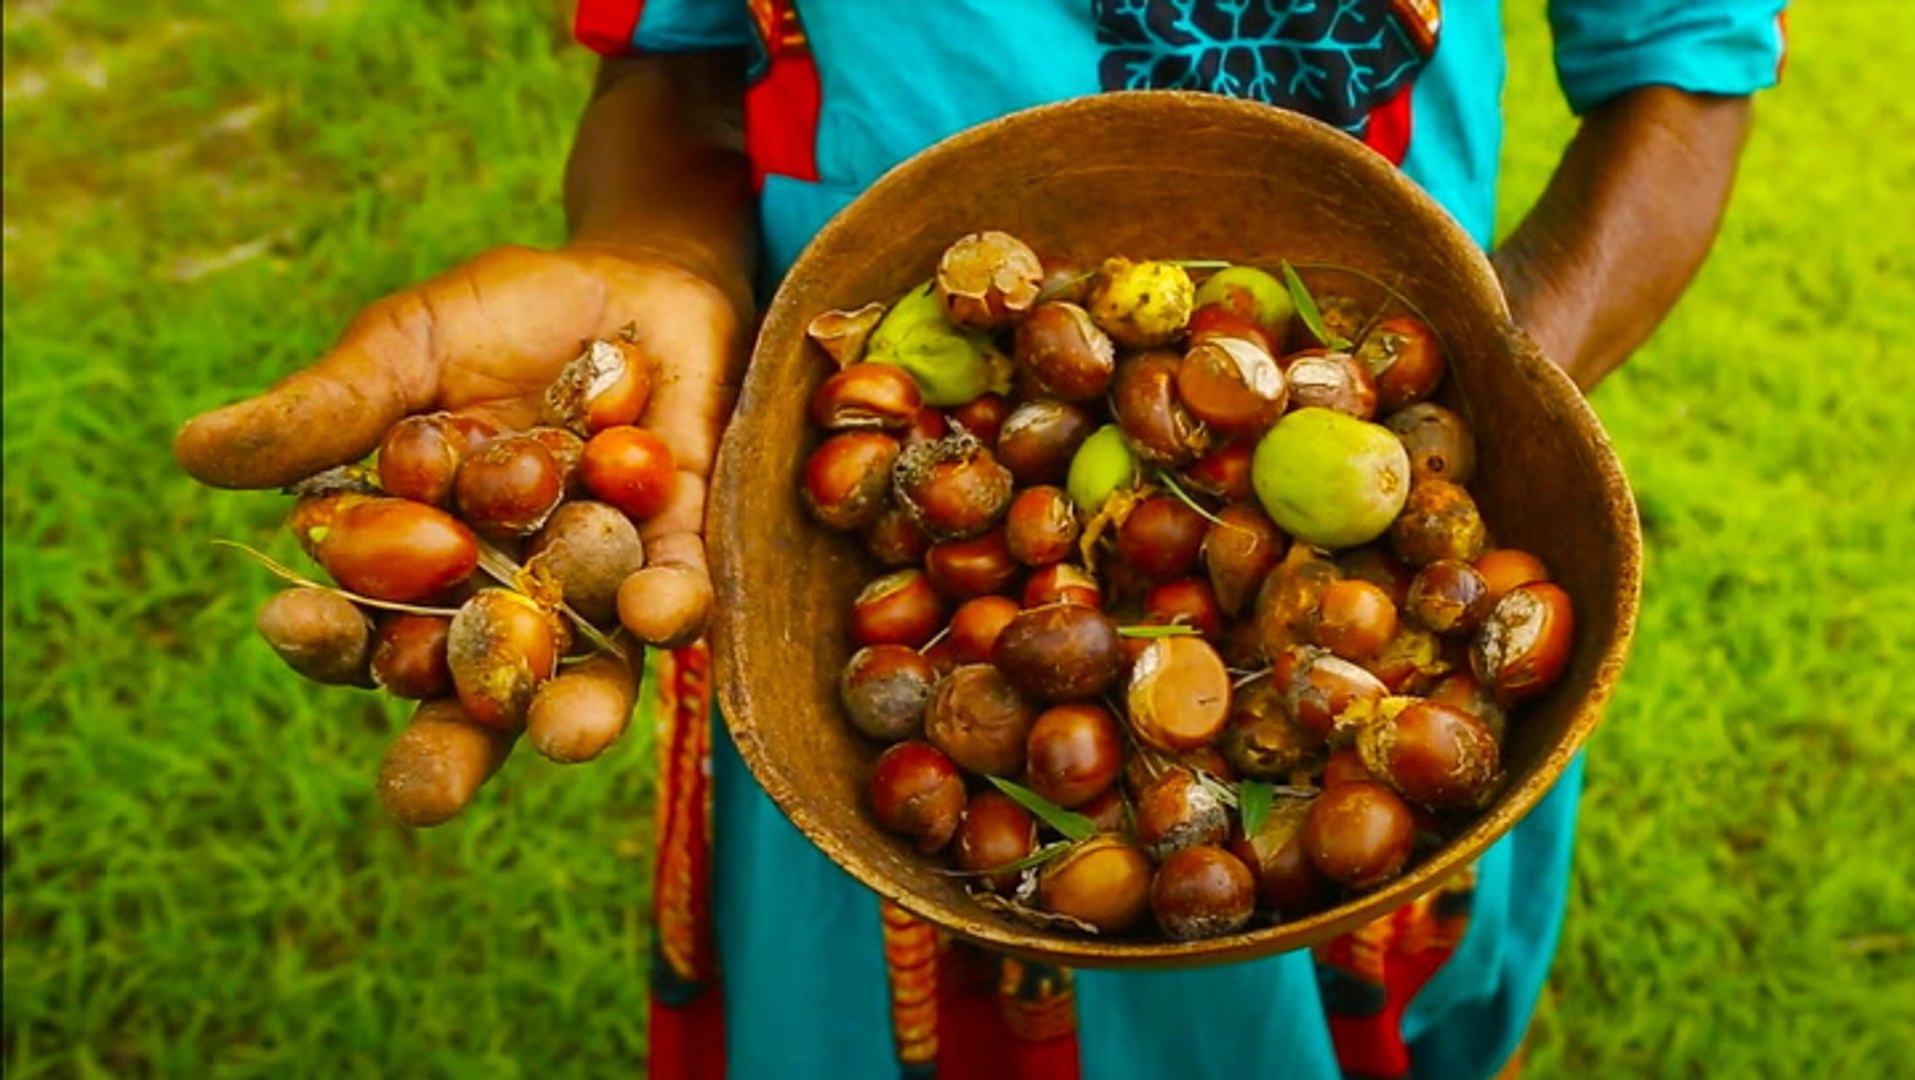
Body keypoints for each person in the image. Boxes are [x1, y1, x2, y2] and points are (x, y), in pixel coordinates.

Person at [174, 2, 1787, 1076]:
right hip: (834, 580)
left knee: (1338, 917)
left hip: (1364, 591)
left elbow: (1686, 62)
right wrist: (655, 256)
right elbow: (667, 68)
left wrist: (1486, 412)